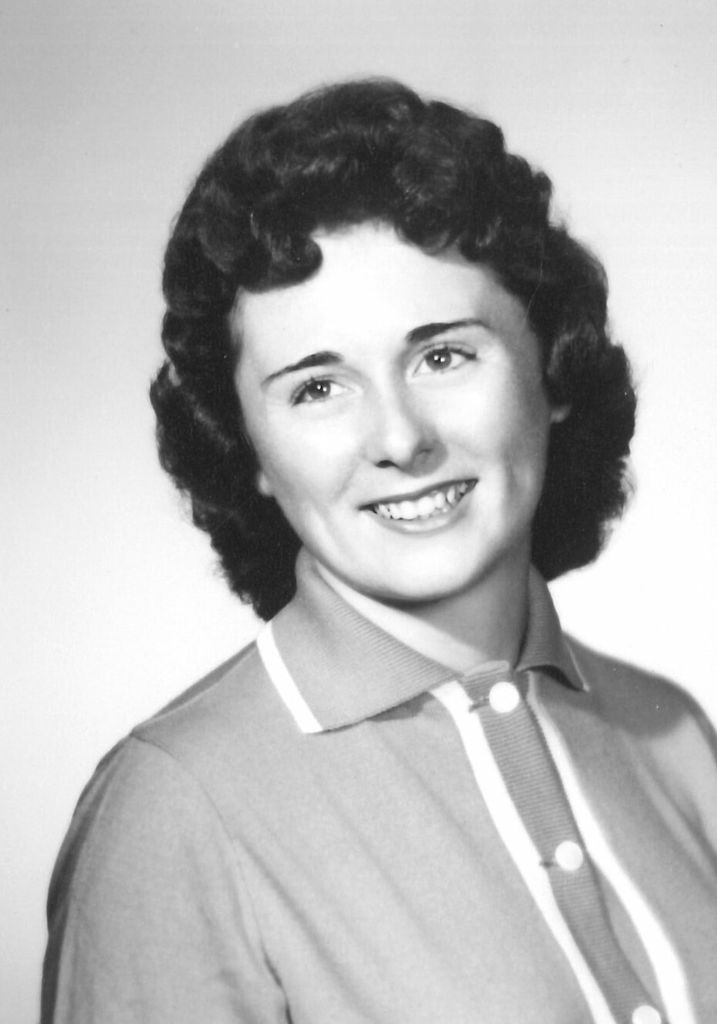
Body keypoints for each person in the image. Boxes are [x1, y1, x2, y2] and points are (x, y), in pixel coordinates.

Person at [41, 79, 717, 1024]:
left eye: (442, 356)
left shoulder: (672, 735)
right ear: (248, 450)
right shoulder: (174, 812)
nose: (399, 438)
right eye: (316, 388)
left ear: (551, 371)